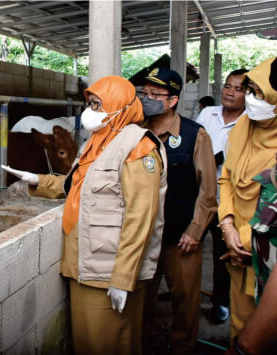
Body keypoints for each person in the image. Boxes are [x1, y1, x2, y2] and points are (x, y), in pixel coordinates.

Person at [3, 75, 167, 354]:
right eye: (89, 104)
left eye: (97, 105)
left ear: (120, 106)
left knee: (112, 342)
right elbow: (76, 185)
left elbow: (141, 218)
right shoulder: (98, 141)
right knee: (88, 341)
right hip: (86, 264)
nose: (89, 112)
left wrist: (123, 279)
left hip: (110, 271)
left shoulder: (138, 148)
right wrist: (37, 180)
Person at [139, 67, 217, 355]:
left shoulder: (195, 135)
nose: (147, 99)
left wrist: (195, 231)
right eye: (145, 93)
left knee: (185, 300)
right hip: (144, 237)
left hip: (180, 238)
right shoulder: (136, 132)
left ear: (172, 100)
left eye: (155, 95)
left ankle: (183, 346)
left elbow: (208, 190)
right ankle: (142, 344)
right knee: (142, 300)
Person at [218, 55, 277, 342]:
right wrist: (227, 225)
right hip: (238, 251)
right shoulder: (244, 126)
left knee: (262, 334)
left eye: (260, 93)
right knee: (239, 325)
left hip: (265, 254)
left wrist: (240, 240)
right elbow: (227, 177)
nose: (252, 100)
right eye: (249, 91)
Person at [195, 68, 248, 324]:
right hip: (198, 197)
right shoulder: (208, 113)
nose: (230, 92)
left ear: (248, 94)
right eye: (228, 86)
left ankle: (221, 302)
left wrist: (209, 160)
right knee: (188, 245)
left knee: (221, 252)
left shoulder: (250, 121)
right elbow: (195, 143)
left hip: (225, 201)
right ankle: (184, 292)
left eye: (239, 89)